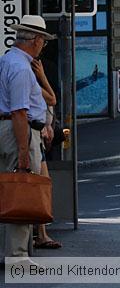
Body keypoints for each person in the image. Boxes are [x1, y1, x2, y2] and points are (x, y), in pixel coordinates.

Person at [0, 15, 54, 261]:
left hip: (6, 128)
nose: (43, 45)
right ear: (36, 40)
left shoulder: (6, 61)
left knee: (6, 190)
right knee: (21, 189)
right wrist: (24, 151)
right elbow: (19, 112)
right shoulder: (22, 68)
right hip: (19, 132)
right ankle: (17, 256)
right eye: (43, 41)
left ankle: (8, 253)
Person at [31, 55, 60, 251]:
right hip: (31, 136)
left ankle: (40, 232)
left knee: (42, 185)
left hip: (37, 137)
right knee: (39, 185)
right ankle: (39, 233)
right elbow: (52, 98)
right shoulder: (29, 78)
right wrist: (42, 76)